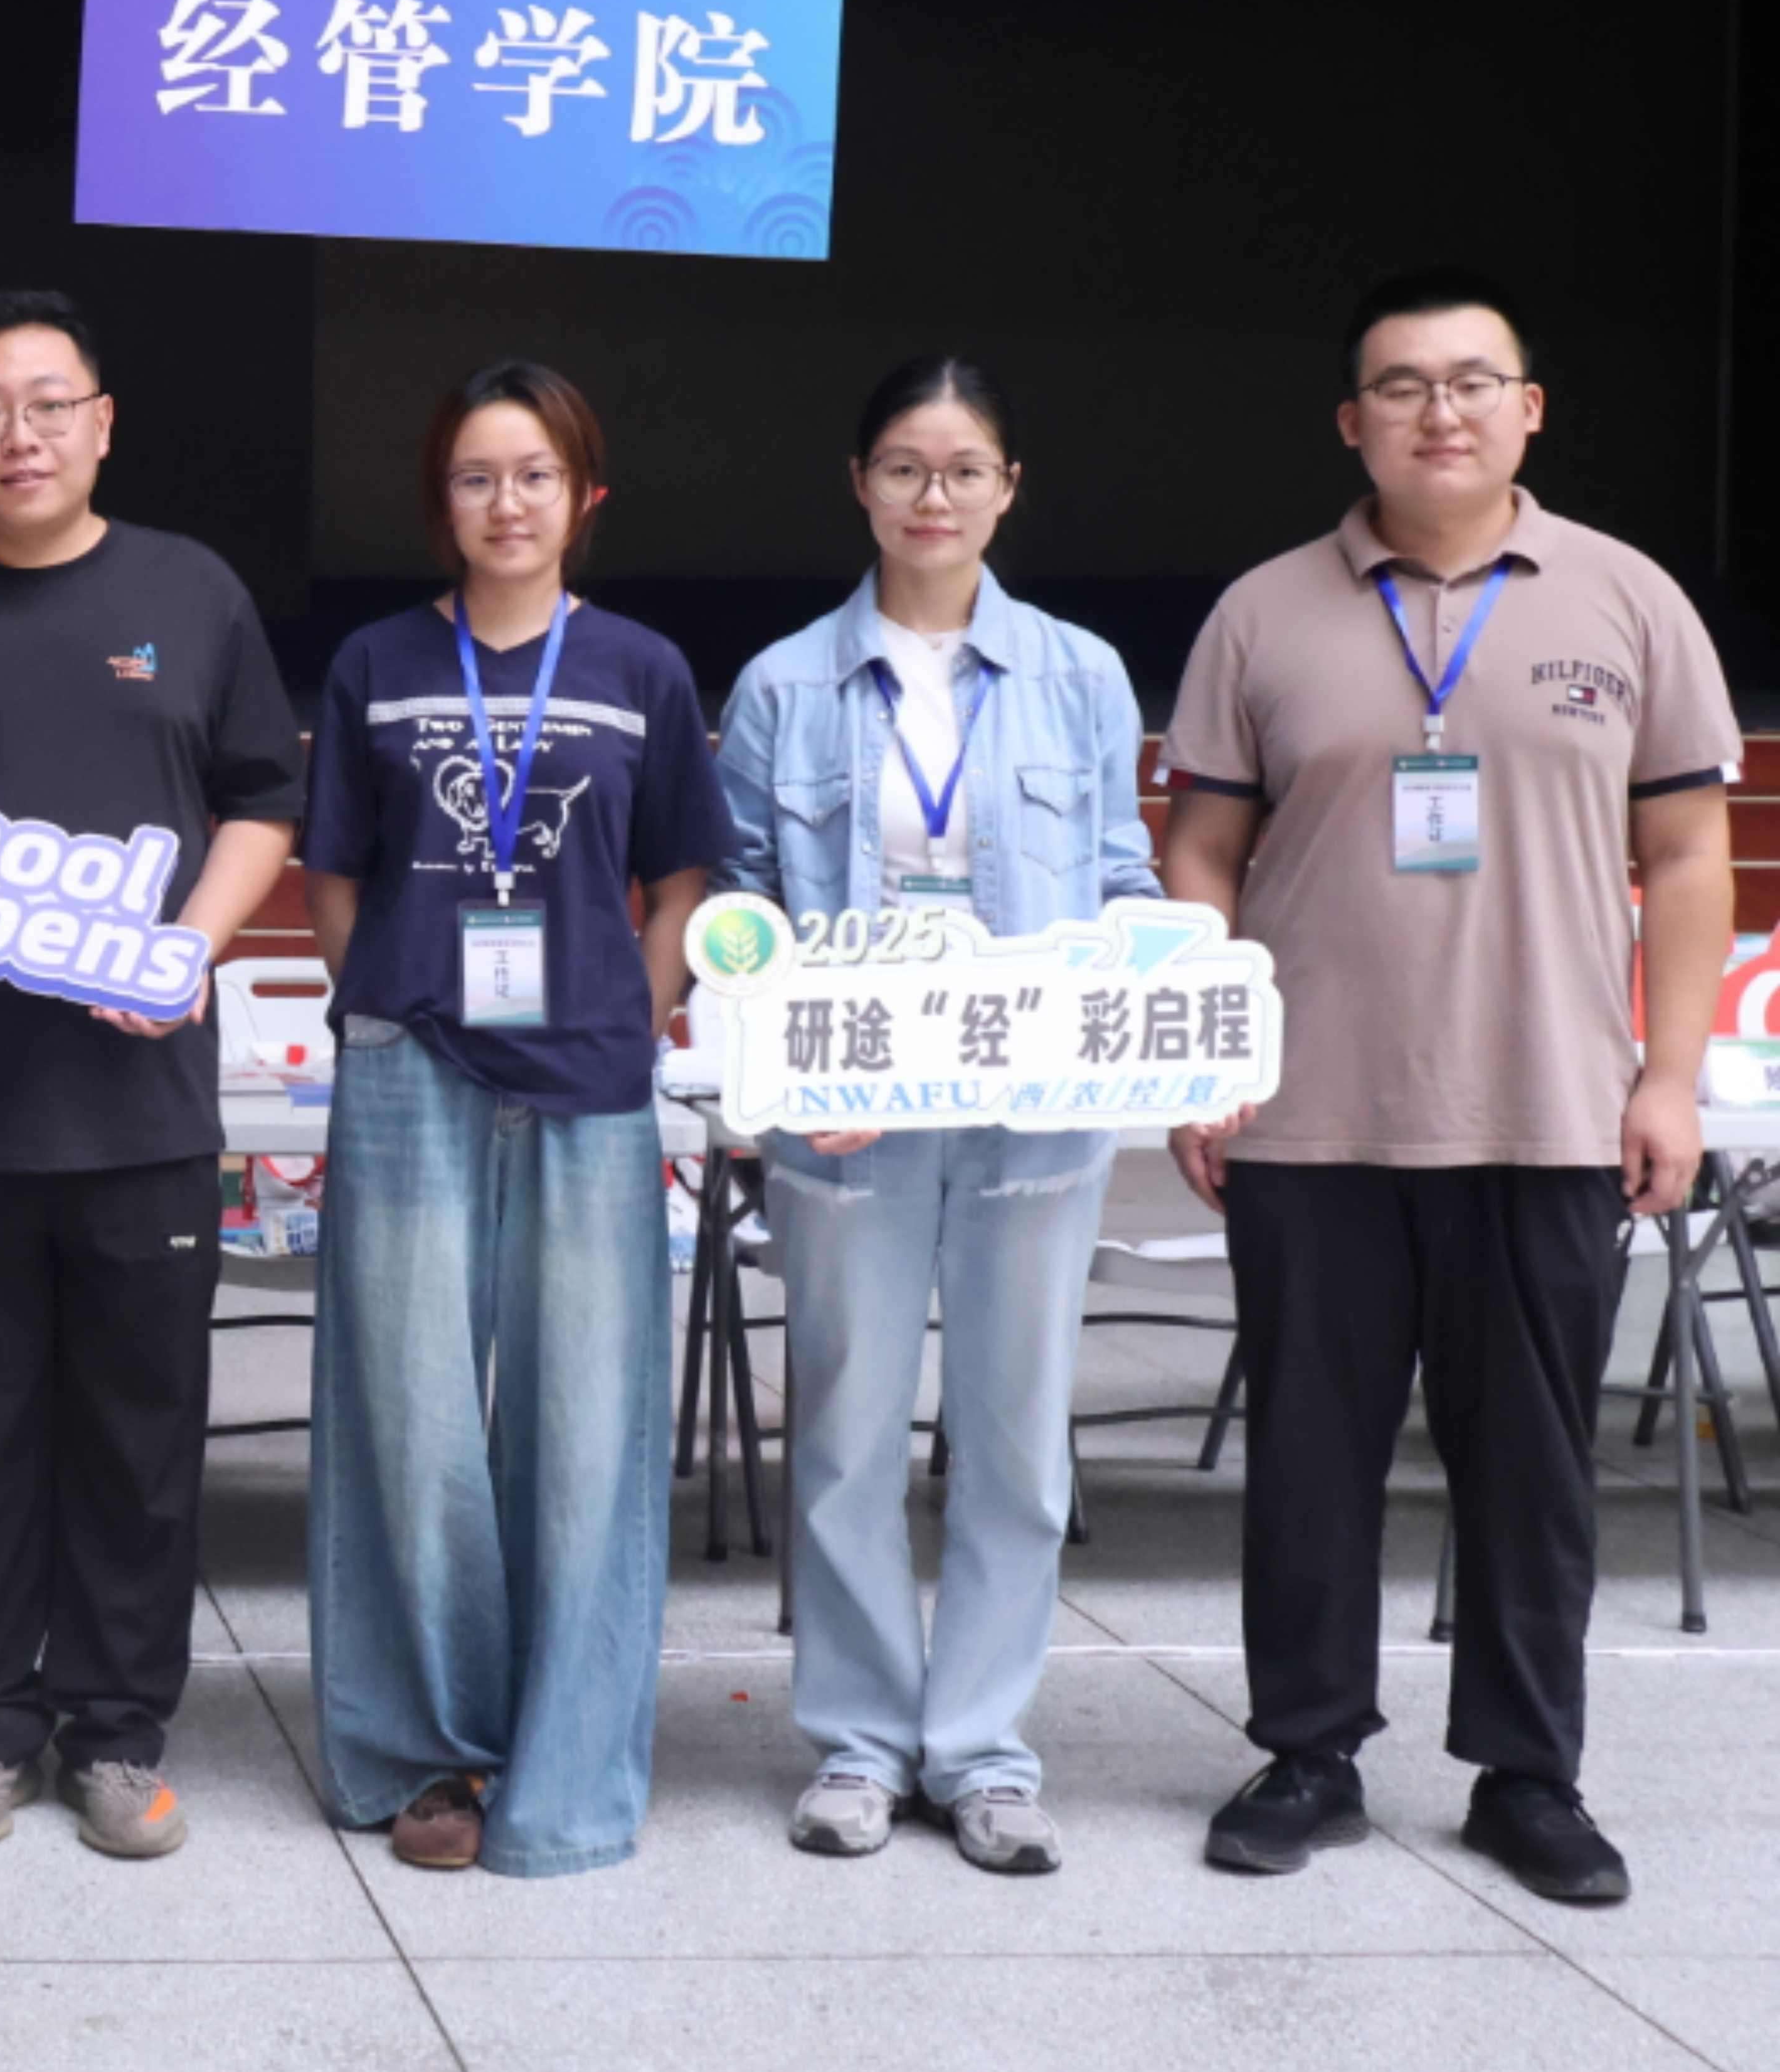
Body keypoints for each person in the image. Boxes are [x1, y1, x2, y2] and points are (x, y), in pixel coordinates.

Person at [1165, 270, 1735, 1906]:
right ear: (1353, 422)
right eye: (1404, 386)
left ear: (1528, 410)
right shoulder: (1264, 611)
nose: (1442, 410)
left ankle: (1528, 1774)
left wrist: (1670, 1077)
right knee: (1310, 1459)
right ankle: (1309, 1751)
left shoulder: (1628, 600)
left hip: (1550, 1107)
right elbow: (1200, 851)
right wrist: (1206, 1056)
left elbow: (1691, 852)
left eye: (1474, 381)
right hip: (1308, 1113)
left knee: (1534, 1468)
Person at [0, 292, 301, 1861]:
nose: (17, 435)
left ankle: (116, 1732)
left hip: (142, 1110)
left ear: (102, 421)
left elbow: (261, 798)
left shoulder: (192, 592)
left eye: (47, 403)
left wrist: (190, 947)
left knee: (138, 1433)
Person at [712, 360, 1158, 1876]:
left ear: (1008, 487)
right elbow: (740, 906)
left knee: (1018, 1439)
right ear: (861, 484)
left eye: (965, 469)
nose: (934, 496)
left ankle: (981, 1749)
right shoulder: (783, 685)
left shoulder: (1080, 674)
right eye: (905, 466)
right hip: (852, 1112)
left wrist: (1153, 996)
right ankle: (856, 1740)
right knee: (846, 1429)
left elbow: (1124, 872)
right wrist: (791, 1066)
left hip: (1032, 1109)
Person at [304, 361, 734, 1879]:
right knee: (407, 1415)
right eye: (478, 476)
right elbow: (335, 874)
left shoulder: (640, 669)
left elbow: (685, 877)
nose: (507, 503)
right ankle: (429, 1747)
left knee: (588, 1423)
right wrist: (389, 1001)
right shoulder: (375, 661)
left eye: (536, 475)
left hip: (590, 1081)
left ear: (584, 495)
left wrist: (632, 1004)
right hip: (412, 1066)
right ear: (444, 499)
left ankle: (563, 1756)